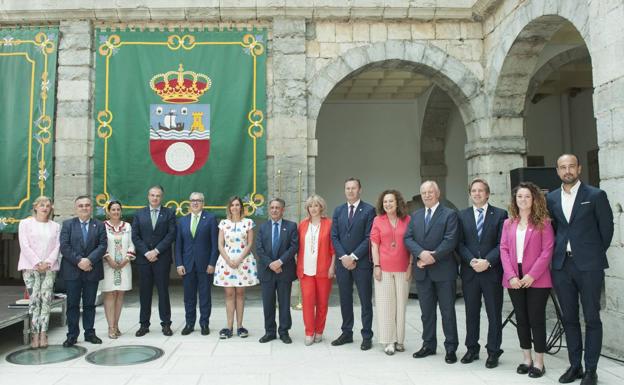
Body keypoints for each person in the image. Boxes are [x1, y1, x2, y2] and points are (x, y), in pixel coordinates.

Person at [547, 154, 614, 385]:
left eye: (571, 167)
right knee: (569, 318)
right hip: (561, 266)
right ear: (557, 171)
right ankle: (575, 366)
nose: (567, 171)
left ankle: (591, 370)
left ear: (579, 169)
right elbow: (552, 230)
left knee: (592, 317)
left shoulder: (595, 195)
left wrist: (590, 253)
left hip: (589, 266)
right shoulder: (552, 198)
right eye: (563, 167)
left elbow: (606, 230)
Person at [500, 182, 554, 378]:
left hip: (537, 278)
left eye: (527, 196)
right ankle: (526, 359)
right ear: (515, 200)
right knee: (522, 319)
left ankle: (539, 362)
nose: (523, 200)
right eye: (519, 196)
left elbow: (547, 251)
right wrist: (511, 275)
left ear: (534, 199)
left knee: (536, 319)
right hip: (514, 278)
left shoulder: (543, 222)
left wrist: (532, 275)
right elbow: (504, 250)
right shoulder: (508, 223)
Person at [404, 180, 459, 364]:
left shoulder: (449, 214)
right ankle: (428, 345)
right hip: (423, 273)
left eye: (430, 192)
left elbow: (450, 240)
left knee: (447, 312)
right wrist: (420, 254)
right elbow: (408, 238)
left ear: (438, 193)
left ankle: (451, 348)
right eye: (424, 192)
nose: (427, 195)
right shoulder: (416, 215)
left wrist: (432, 257)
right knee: (426, 312)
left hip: (444, 271)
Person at [457, 179, 507, 368]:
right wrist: (471, 261)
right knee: (471, 312)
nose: (477, 194)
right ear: (470, 194)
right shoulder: (462, 215)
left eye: (481, 191)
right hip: (470, 272)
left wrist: (488, 262)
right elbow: (459, 244)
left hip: (491, 272)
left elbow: (502, 244)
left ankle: (493, 351)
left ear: (487, 194)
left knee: (494, 313)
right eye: (474, 191)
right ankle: (472, 348)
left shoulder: (500, 214)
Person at [330, 177, 376, 350]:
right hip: (343, 264)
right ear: (344, 190)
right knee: (345, 299)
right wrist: (344, 257)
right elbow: (334, 236)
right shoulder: (338, 210)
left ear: (360, 190)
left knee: (365, 300)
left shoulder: (369, 210)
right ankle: (347, 333)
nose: (350, 191)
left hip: (362, 263)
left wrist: (354, 256)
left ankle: (366, 335)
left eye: (353, 188)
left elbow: (369, 237)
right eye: (347, 188)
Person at [59, 195, 107, 347]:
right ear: (76, 208)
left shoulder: (99, 225)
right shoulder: (67, 225)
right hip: (72, 271)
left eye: (87, 205)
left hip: (92, 270)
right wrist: (79, 261)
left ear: (91, 207)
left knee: (89, 304)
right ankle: (72, 335)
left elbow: (102, 246)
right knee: (72, 304)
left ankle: (90, 333)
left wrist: (89, 260)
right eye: (81, 206)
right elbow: (64, 246)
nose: (84, 208)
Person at [370, 189, 412, 355]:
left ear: (398, 203)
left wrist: (410, 265)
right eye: (385, 202)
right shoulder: (377, 220)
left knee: (401, 305)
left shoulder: (407, 220)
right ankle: (388, 341)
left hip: (403, 268)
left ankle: (399, 340)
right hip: (384, 269)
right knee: (386, 306)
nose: (387, 204)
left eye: (391, 201)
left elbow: (411, 244)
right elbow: (374, 245)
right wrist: (376, 266)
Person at [132, 185, 177, 337]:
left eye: (158, 195)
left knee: (163, 292)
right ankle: (144, 325)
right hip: (144, 260)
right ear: (148, 196)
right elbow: (135, 236)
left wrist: (156, 251)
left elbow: (171, 235)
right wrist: (146, 252)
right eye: (152, 195)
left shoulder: (169, 213)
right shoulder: (139, 214)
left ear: (162, 197)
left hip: (161, 259)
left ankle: (166, 324)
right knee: (144, 293)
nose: (155, 198)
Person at [18, 196, 61, 349]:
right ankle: (34, 335)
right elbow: (24, 245)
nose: (45, 208)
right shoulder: (25, 223)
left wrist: (48, 262)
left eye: (48, 205)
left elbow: (57, 246)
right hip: (30, 267)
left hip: (49, 268)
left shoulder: (55, 226)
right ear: (35, 207)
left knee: (46, 301)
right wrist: (37, 262)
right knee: (34, 301)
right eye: (42, 205)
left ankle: (44, 333)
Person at [213, 196, 259, 338]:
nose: (235, 207)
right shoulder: (223, 223)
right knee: (229, 294)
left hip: (243, 261)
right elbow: (220, 244)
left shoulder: (248, 223)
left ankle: (240, 326)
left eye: (237, 205)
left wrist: (238, 259)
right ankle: (229, 327)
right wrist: (228, 259)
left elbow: (250, 243)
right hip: (226, 262)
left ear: (241, 207)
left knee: (240, 294)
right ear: (229, 207)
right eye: (232, 205)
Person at [175, 192, 219, 336]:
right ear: (189, 203)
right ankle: (189, 323)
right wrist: (179, 264)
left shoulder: (211, 219)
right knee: (189, 296)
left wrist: (212, 263)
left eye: (198, 201)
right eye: (193, 201)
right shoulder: (182, 221)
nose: (195, 203)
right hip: (187, 265)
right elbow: (178, 246)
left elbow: (215, 244)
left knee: (205, 295)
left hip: (205, 265)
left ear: (203, 203)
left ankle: (204, 323)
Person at [256, 198, 298, 344]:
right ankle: (270, 332)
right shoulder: (263, 227)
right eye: (272, 207)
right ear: (269, 209)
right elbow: (259, 249)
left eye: (277, 208)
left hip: (284, 270)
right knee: (268, 303)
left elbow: (293, 247)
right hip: (267, 271)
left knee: (285, 302)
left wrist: (280, 262)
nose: (274, 210)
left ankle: (284, 331)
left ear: (282, 210)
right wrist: (271, 264)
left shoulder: (291, 226)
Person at [297, 194, 335, 345]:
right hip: (306, 270)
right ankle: (309, 332)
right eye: (310, 206)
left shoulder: (329, 224)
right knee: (307, 301)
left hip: (324, 270)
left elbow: (333, 249)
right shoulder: (302, 225)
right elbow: (297, 247)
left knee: (322, 303)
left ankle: (319, 330)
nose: (313, 208)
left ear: (321, 207)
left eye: (316, 205)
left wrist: (332, 267)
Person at [102, 200, 135, 339]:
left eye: (118, 209)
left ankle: (116, 325)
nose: (116, 212)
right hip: (108, 265)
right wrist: (109, 259)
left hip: (124, 265)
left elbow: (132, 245)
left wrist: (126, 259)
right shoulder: (102, 226)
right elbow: (100, 244)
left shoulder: (127, 226)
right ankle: (110, 327)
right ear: (108, 211)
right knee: (110, 294)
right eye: (113, 209)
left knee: (120, 294)